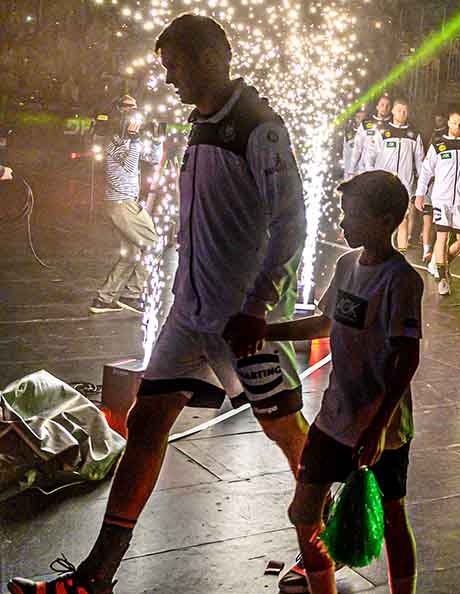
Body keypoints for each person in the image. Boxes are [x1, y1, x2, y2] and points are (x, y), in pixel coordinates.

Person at [9, 14, 310, 594]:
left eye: (174, 66)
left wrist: (260, 303)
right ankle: (97, 576)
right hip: (190, 314)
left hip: (243, 324)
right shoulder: (200, 125)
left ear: (210, 58)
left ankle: (325, 549)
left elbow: (291, 223)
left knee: (292, 440)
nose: (169, 79)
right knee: (147, 422)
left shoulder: (260, 128)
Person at [267, 171, 422, 594]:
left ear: (386, 220)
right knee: (304, 512)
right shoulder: (346, 265)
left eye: (352, 215)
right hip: (335, 417)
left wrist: (377, 428)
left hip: (382, 431)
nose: (342, 222)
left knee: (392, 519)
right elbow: (324, 321)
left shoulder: (401, 280)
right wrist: (267, 331)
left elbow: (407, 358)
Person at [89, 94, 163, 315]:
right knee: (154, 245)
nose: (131, 113)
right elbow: (130, 161)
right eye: (127, 109)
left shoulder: (129, 141)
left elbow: (152, 159)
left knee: (131, 253)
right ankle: (132, 294)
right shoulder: (115, 143)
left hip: (124, 203)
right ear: (119, 110)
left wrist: (157, 141)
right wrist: (134, 139)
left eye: (134, 109)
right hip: (122, 204)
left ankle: (104, 299)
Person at [414, 110, 460, 296]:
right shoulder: (438, 145)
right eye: (455, 123)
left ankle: (439, 262)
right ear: (448, 122)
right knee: (442, 237)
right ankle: (442, 278)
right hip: (442, 200)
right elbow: (426, 171)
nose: (458, 127)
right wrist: (420, 194)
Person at [366, 98, 424, 254]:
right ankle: (377, 252)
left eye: (405, 111)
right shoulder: (382, 131)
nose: (402, 114)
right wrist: (371, 178)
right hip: (384, 185)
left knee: (403, 220)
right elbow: (370, 156)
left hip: (405, 185)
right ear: (393, 111)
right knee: (382, 220)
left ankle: (401, 257)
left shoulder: (413, 134)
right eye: (399, 110)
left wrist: (421, 185)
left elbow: (420, 162)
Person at [346, 94, 392, 179]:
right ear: (377, 106)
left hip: (383, 172)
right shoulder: (366, 124)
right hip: (364, 171)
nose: (385, 108)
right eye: (382, 105)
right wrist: (351, 169)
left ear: (391, 108)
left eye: (387, 106)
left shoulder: (392, 126)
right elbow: (357, 147)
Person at [342, 105, 367, 179]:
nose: (361, 120)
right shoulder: (348, 132)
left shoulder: (371, 133)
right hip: (349, 173)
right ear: (355, 118)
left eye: (363, 118)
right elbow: (344, 152)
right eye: (359, 117)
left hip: (363, 173)